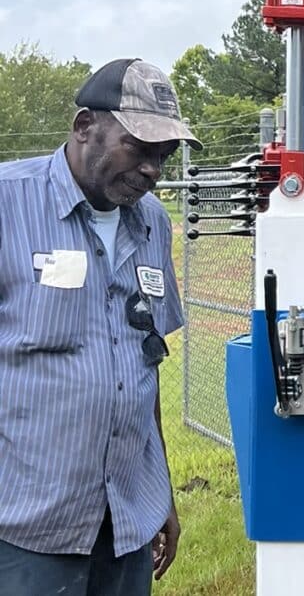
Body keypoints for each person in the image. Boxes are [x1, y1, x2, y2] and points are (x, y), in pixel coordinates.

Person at [0, 58, 201, 594]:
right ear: (85, 127)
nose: (154, 169)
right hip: (25, 528)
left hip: (126, 524)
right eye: (139, 147)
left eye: (165, 154)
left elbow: (145, 363)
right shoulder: (7, 203)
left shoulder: (152, 220)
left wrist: (160, 498)